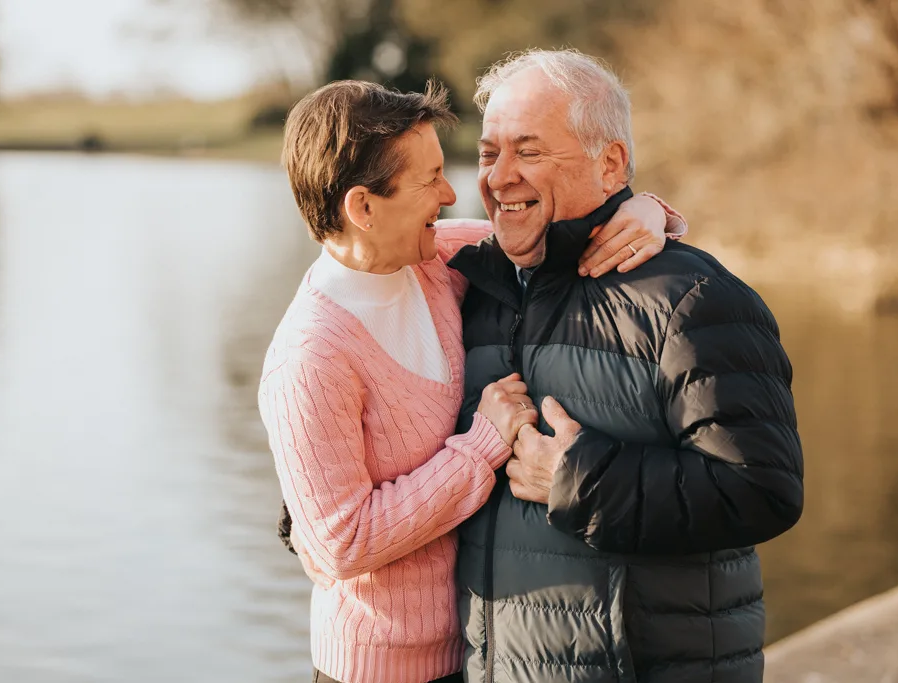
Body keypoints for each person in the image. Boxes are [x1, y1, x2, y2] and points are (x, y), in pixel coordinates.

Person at [257, 79, 688, 683]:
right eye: (429, 178)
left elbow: (553, 231)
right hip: (376, 672)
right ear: (363, 207)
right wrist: (482, 443)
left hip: (476, 652)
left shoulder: (439, 260)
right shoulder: (309, 358)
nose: (452, 192)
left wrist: (644, 211)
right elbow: (339, 546)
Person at [448, 49, 805, 683]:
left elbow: (763, 490)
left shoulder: (695, 300)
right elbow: (361, 254)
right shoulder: (474, 289)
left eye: (529, 152)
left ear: (609, 162)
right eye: (487, 153)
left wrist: (580, 480)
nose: (500, 177)